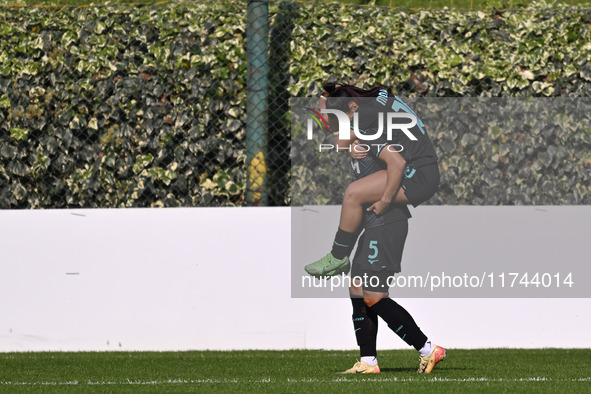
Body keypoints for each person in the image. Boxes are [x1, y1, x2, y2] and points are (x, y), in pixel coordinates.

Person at [304, 83, 445, 374]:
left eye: (328, 112)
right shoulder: (371, 111)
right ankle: (368, 361)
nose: (323, 118)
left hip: (403, 198)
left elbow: (385, 156)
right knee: (358, 290)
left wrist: (383, 199)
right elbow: (379, 98)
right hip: (379, 219)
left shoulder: (367, 123)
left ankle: (429, 349)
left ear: (350, 111)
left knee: (354, 194)